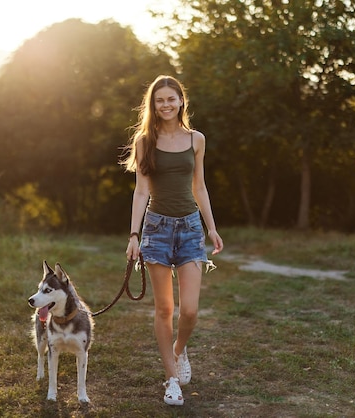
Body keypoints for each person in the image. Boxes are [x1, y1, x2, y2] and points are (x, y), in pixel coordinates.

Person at [121, 75, 223, 406]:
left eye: (171, 99)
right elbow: (141, 191)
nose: (165, 105)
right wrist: (134, 234)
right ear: (153, 105)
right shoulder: (144, 142)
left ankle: (179, 350)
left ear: (181, 101)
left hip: (191, 228)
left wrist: (211, 227)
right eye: (159, 100)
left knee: (190, 311)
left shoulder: (196, 139)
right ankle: (171, 380)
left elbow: (200, 186)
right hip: (156, 229)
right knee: (164, 308)